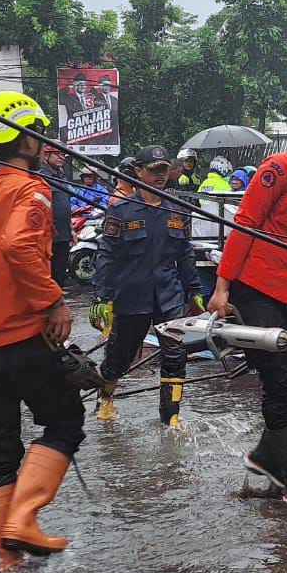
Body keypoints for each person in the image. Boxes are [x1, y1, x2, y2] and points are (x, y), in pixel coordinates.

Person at [0, 90, 83, 563]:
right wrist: (53, 302)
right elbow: (17, 248)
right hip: (24, 335)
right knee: (66, 421)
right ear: (26, 143)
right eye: (40, 136)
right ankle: (24, 519)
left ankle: (8, 561)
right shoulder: (30, 192)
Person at [209, 140, 287, 507]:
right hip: (257, 287)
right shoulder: (283, 168)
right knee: (278, 380)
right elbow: (245, 224)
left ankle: (268, 453)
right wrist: (222, 288)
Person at [91, 145, 202, 430]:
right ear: (138, 172)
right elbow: (106, 254)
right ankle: (105, 397)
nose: (160, 175)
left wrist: (195, 291)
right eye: (153, 171)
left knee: (176, 356)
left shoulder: (177, 208)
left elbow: (184, 253)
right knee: (120, 357)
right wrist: (102, 296)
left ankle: (171, 418)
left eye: (165, 169)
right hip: (132, 296)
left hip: (169, 296)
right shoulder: (121, 210)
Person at [37, 142, 75, 286]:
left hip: (63, 233)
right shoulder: (40, 176)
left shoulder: (61, 175)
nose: (61, 157)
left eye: (63, 154)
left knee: (60, 274)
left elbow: (65, 204)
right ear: (46, 155)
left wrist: (71, 229)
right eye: (58, 154)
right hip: (47, 236)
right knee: (48, 275)